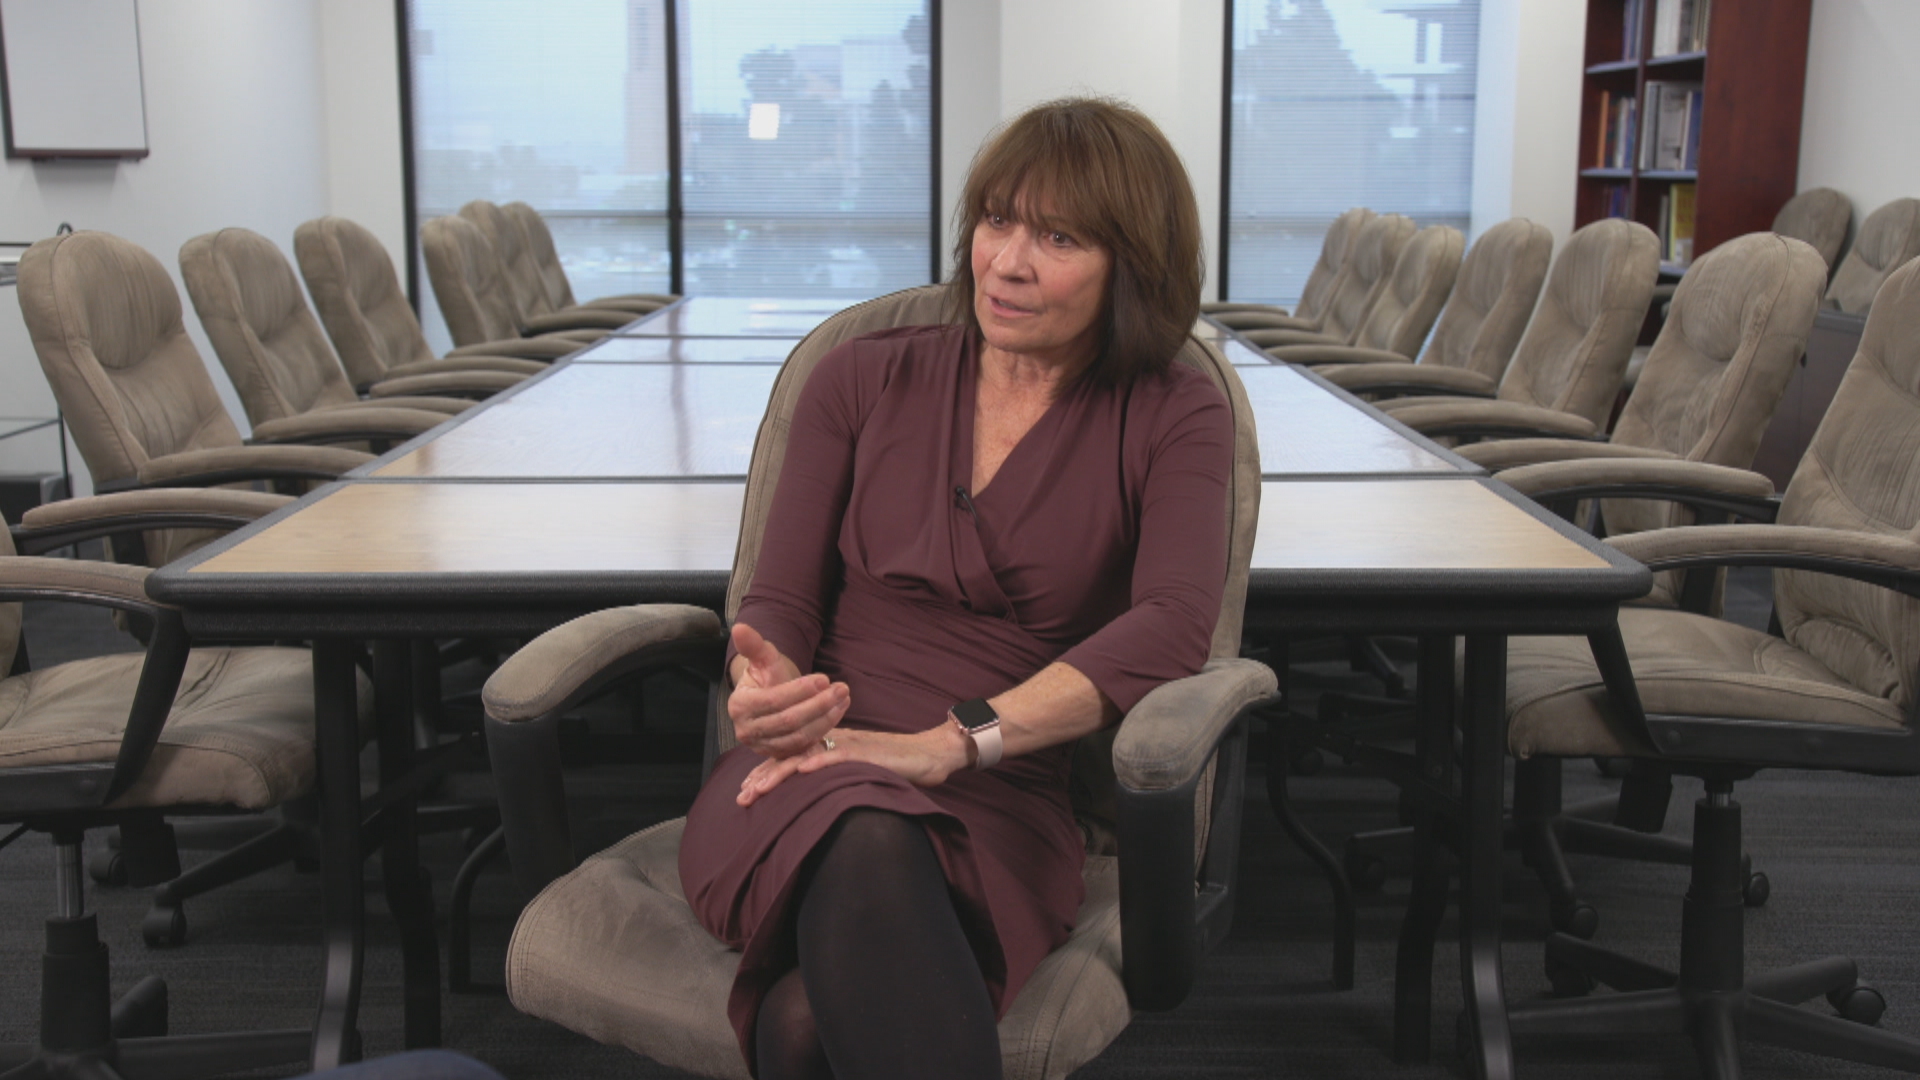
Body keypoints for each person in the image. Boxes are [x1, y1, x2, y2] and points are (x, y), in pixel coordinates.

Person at [679, 96, 1233, 1080]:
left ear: (1130, 267)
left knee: (807, 1022)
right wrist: (763, 671)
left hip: (1000, 788)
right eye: (996, 219)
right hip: (811, 764)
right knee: (863, 826)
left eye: (1057, 236)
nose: (1008, 261)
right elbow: (784, 599)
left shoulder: (1174, 408)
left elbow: (1174, 626)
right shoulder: (860, 376)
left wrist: (948, 745)